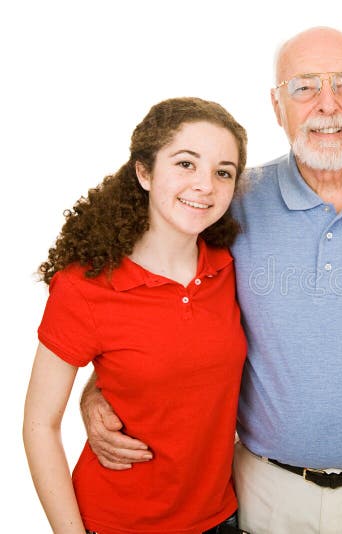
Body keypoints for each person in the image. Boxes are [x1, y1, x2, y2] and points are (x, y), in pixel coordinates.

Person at [80, 27, 342, 533]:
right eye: (304, 87)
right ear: (277, 105)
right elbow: (159, 305)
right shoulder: (228, 202)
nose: (327, 105)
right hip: (263, 494)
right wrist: (97, 389)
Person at [23, 97, 249, 533]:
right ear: (144, 172)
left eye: (223, 172)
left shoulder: (229, 268)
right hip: (115, 523)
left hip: (222, 517)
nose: (205, 185)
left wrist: (97, 388)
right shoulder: (85, 287)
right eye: (186, 164)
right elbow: (39, 425)